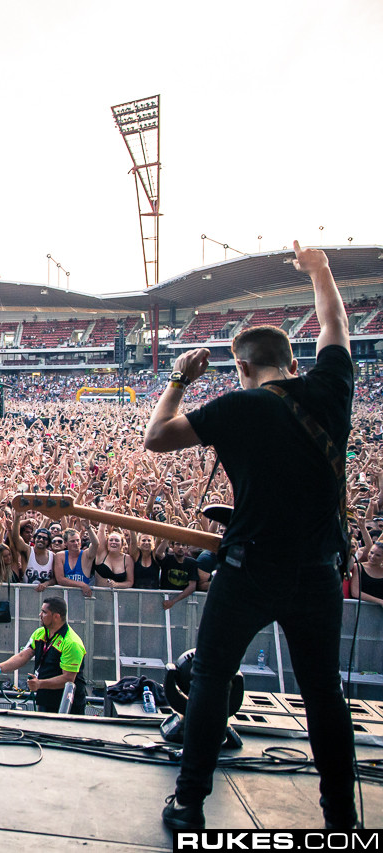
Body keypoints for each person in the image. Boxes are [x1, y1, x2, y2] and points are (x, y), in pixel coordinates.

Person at [144, 241, 358, 832]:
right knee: (324, 695)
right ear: (293, 361)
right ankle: (341, 819)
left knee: (211, 678)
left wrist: (180, 378)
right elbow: (335, 325)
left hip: (249, 569)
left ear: (241, 368)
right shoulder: (330, 389)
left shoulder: (236, 407)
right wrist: (320, 269)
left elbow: (156, 437)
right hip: (317, 571)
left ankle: (189, 804)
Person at [0, 596, 86, 714]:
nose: (40, 615)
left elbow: (68, 679)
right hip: (45, 698)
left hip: (68, 704)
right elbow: (23, 656)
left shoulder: (72, 643)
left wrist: (40, 683)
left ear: (56, 616)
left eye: (44, 612)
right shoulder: (39, 633)